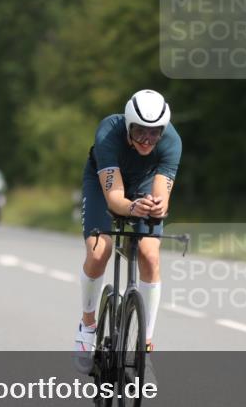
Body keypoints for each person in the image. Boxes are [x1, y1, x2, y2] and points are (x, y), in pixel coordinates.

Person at [73, 89, 181, 374]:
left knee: (150, 254)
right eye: (140, 132)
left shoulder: (171, 141)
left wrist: (156, 207)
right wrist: (133, 208)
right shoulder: (109, 132)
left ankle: (144, 348)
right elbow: (115, 199)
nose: (147, 140)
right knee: (100, 250)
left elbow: (162, 197)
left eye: (154, 133)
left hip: (143, 185)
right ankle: (87, 326)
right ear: (128, 125)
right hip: (105, 186)